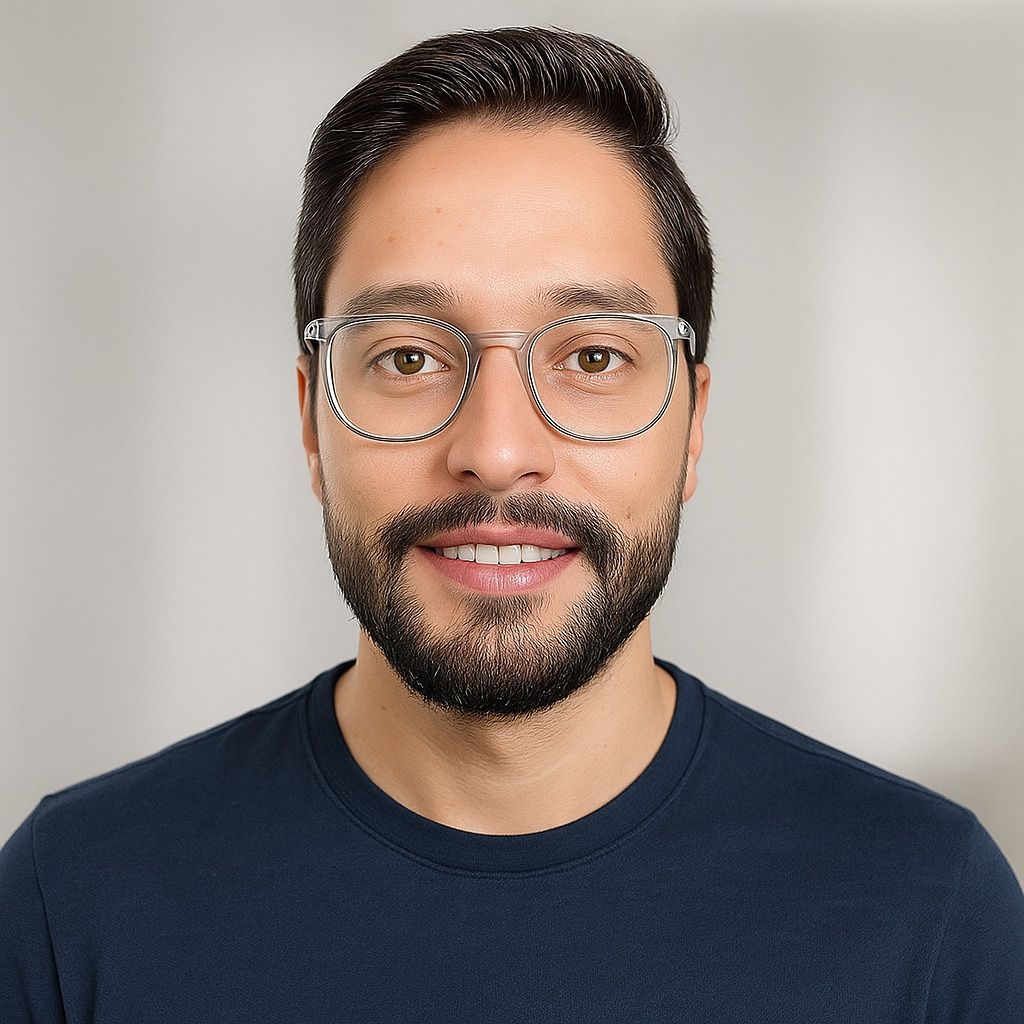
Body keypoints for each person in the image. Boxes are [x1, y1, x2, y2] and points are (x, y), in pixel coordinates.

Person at [2, 24, 1022, 1022]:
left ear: (694, 423)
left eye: (590, 357)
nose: (495, 449)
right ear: (310, 419)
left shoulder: (927, 914)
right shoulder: (72, 903)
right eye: (406, 356)